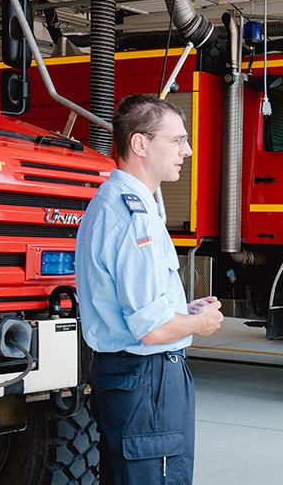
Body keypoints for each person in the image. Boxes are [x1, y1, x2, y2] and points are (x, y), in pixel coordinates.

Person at [75, 95, 224, 485]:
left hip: (132, 378)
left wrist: (182, 308)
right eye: (176, 140)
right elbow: (152, 330)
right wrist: (202, 323)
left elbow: (139, 305)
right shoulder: (132, 217)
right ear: (140, 144)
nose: (187, 150)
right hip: (148, 381)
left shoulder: (116, 205)